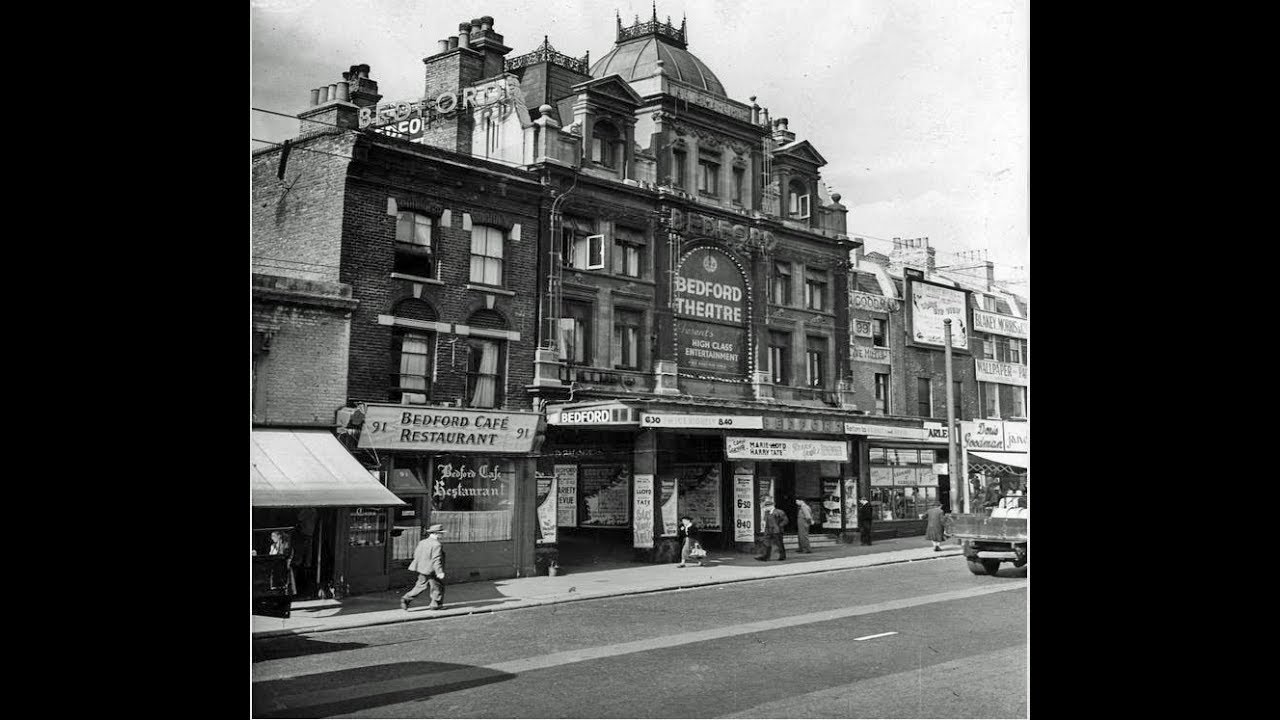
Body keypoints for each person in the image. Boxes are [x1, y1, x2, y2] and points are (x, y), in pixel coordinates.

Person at [401, 523, 447, 611]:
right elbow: (436, 559)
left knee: (420, 586)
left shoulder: (422, 542)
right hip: (432, 570)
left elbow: (416, 554)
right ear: (436, 533)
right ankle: (435, 604)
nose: (442, 534)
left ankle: (406, 598)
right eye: (441, 533)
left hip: (423, 569)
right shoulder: (437, 545)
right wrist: (439, 572)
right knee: (438, 586)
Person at [268, 530, 297, 596]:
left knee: (285, 581)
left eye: (274, 536)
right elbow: (271, 555)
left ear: (279, 536)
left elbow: (286, 555)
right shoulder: (273, 546)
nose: (272, 538)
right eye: (272, 536)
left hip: (283, 565)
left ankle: (286, 593)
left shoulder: (286, 545)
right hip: (275, 566)